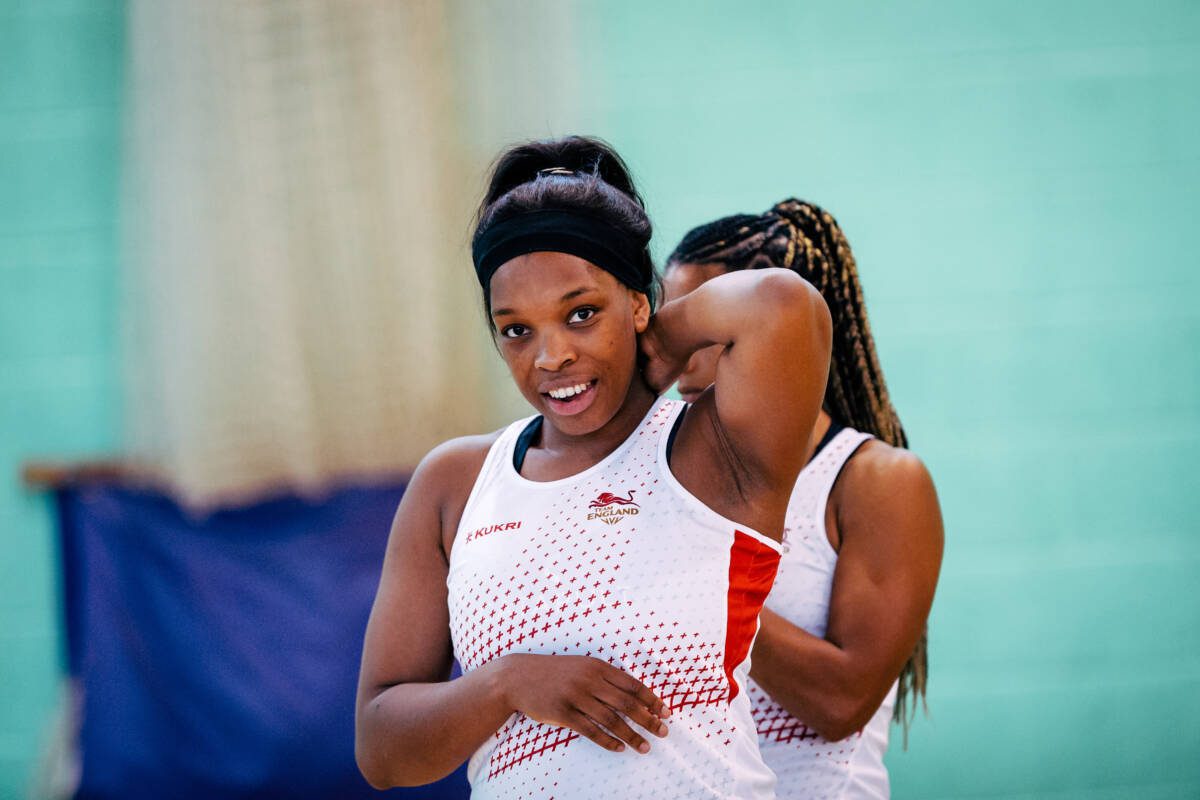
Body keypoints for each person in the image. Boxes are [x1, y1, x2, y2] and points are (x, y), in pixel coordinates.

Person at [354, 138, 832, 799]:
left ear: (638, 303)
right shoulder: (456, 482)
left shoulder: (711, 455)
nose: (550, 356)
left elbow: (785, 305)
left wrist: (655, 345)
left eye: (581, 314)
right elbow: (382, 749)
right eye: (516, 329)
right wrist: (509, 683)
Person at [662, 199, 944, 799]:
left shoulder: (876, 480)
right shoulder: (665, 477)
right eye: (668, 324)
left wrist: (694, 584)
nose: (674, 352)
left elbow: (841, 700)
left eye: (702, 327)